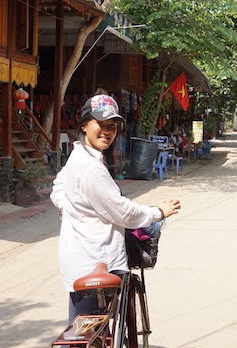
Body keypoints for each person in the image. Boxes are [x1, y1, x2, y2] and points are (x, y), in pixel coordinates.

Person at [51, 93, 181, 322]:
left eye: (112, 126)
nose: (107, 132)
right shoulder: (90, 167)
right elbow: (123, 213)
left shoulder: (80, 155)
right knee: (96, 330)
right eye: (100, 125)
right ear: (84, 126)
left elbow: (58, 186)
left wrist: (67, 208)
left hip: (80, 259)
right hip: (98, 259)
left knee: (82, 330)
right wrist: (158, 212)